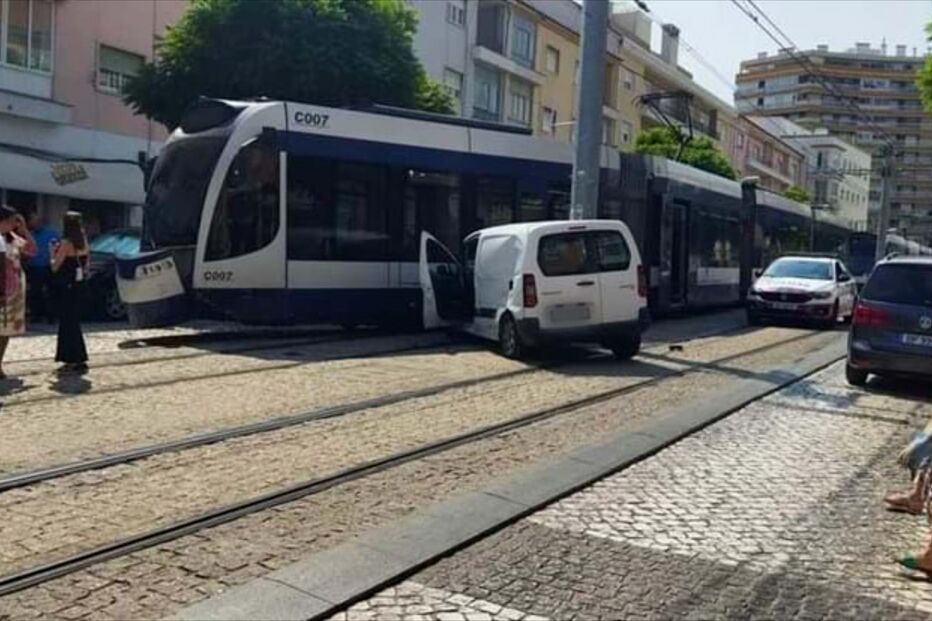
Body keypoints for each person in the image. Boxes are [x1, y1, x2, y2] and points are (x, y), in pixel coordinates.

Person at [0, 206, 37, 379]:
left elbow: (32, 250)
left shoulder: (12, 238)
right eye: (12, 220)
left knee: (6, 330)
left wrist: (24, 230)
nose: (14, 224)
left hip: (13, 289)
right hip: (2, 287)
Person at [51, 212, 89, 373]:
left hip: (66, 285)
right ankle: (78, 356)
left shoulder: (66, 243)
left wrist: (52, 253)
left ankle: (71, 357)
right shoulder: (83, 241)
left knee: (67, 323)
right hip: (78, 285)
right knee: (74, 322)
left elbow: (55, 266)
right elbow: (87, 264)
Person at [24, 211, 59, 323]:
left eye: (35, 221)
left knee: (51, 292)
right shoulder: (30, 235)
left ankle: (51, 316)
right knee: (35, 292)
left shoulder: (52, 233)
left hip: (48, 267)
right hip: (34, 267)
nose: (33, 223)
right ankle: (36, 315)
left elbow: (58, 247)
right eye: (32, 221)